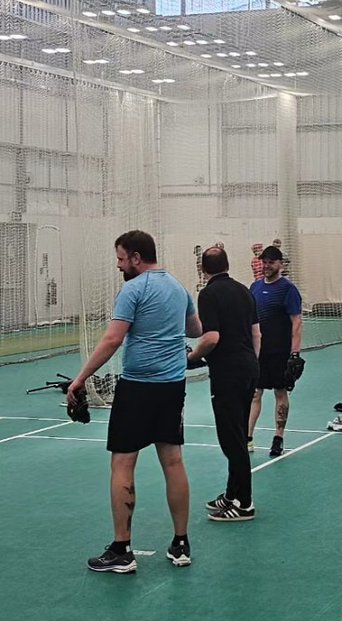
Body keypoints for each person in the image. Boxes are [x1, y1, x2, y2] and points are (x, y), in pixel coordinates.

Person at [68, 230, 202, 573]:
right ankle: (181, 543)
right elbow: (195, 329)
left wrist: (81, 379)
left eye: (121, 258)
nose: (118, 265)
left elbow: (113, 338)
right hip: (172, 387)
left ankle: (121, 549)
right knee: (173, 461)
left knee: (123, 464)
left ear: (136, 258)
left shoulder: (133, 289)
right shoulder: (178, 287)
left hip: (138, 388)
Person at [187, 245, 261, 521]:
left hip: (228, 373)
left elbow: (211, 337)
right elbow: (256, 334)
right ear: (227, 265)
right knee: (238, 433)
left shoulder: (208, 294)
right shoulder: (245, 291)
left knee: (231, 440)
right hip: (248, 368)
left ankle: (244, 503)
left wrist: (191, 357)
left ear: (203, 269)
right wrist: (251, 363)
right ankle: (232, 495)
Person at [248, 244, 303, 458]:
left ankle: (278, 438)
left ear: (280, 264)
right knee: (255, 393)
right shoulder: (254, 287)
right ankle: (247, 437)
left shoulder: (288, 289)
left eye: (271, 262)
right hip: (259, 351)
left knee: (280, 393)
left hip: (280, 352)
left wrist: (295, 353)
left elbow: (296, 321)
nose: (267, 266)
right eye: (265, 262)